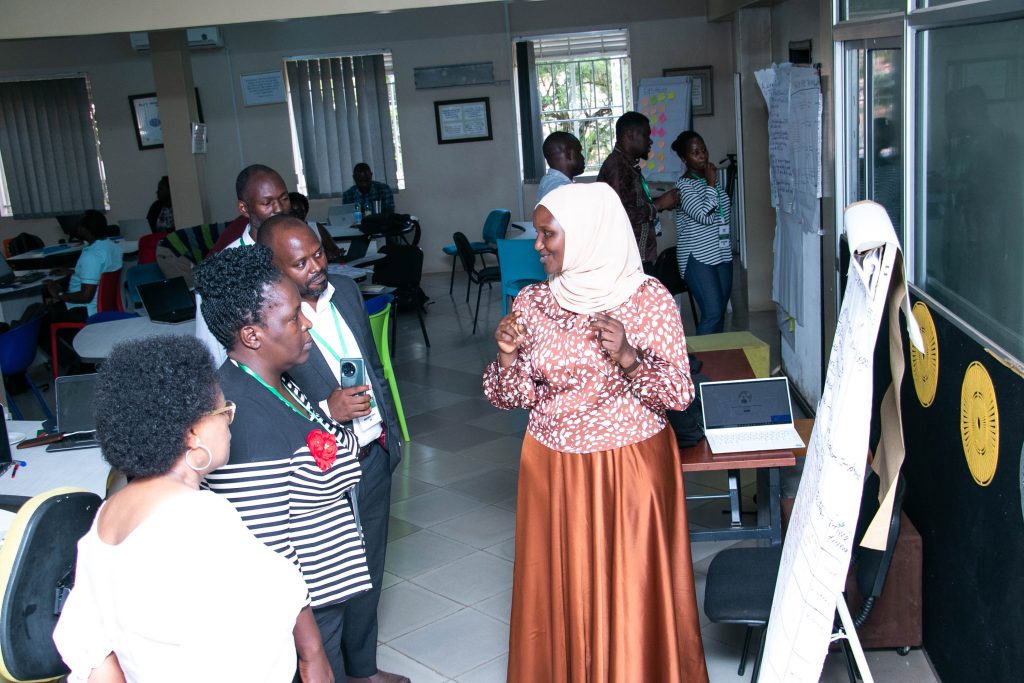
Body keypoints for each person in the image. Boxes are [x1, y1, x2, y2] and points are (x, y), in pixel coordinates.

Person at [483, 183, 708, 682]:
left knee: (631, 594)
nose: (537, 245)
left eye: (547, 235)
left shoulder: (648, 300)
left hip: (630, 470)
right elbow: (508, 396)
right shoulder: (534, 302)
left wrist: (629, 358)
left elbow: (677, 395)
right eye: (538, 234)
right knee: (563, 591)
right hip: (552, 467)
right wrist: (506, 357)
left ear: (587, 234)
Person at [52, 335, 314, 682]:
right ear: (193, 432)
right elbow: (265, 624)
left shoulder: (109, 513)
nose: (230, 422)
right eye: (224, 411)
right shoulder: (201, 517)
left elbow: (87, 642)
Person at [194, 245, 372, 682]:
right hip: (300, 618)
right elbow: (270, 555)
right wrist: (310, 652)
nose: (307, 322)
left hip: (324, 595)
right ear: (253, 335)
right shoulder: (245, 419)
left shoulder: (278, 384)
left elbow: (323, 446)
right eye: (294, 317)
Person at [257, 215, 409, 683]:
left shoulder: (345, 290)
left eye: (318, 253)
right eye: (299, 263)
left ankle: (363, 669)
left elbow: (373, 362)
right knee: (328, 586)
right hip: (323, 471)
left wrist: (390, 433)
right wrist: (327, 407)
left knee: (370, 571)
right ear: (275, 269)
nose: (315, 267)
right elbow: (270, 405)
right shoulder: (269, 323)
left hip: (374, 453)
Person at [196, 164, 292, 367]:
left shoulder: (298, 250)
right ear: (244, 208)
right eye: (267, 203)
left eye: (284, 199)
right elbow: (211, 349)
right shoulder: (222, 269)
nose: (279, 209)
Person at [597, 111, 680, 271]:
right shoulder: (617, 167)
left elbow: (633, 201)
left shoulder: (628, 165)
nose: (650, 141)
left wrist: (661, 202)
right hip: (627, 260)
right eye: (646, 135)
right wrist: (659, 205)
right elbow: (620, 214)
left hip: (635, 257)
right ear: (630, 135)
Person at [671, 130, 733, 335]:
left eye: (703, 150)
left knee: (720, 312)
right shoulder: (684, 186)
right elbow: (705, 216)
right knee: (712, 313)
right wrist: (711, 183)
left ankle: (716, 359)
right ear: (683, 158)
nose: (702, 156)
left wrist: (710, 184)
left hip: (721, 253)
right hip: (697, 257)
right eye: (695, 152)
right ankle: (699, 364)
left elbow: (723, 211)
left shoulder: (708, 180)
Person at [45, 209, 123, 318]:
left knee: (44, 314)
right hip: (106, 306)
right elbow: (101, 270)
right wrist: (74, 272)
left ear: (84, 230)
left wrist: (59, 294)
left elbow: (86, 297)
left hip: (87, 310)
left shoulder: (92, 255)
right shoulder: (113, 246)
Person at [287, 191, 343, 262]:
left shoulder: (316, 227)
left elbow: (334, 250)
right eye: (292, 211)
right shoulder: (281, 232)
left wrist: (333, 253)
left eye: (300, 211)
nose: (297, 215)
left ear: (306, 212)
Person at [537, 131, 585, 201]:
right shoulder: (559, 189)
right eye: (579, 152)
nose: (583, 157)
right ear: (568, 155)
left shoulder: (549, 182)